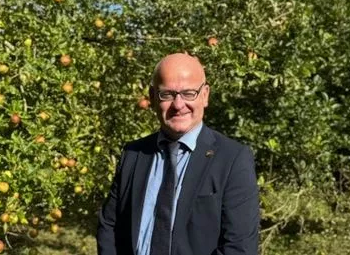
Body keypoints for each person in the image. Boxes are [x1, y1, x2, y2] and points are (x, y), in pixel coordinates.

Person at [97, 53, 259, 255]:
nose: (178, 105)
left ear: (205, 95)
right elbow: (110, 227)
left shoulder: (232, 159)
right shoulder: (134, 154)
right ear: (153, 96)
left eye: (189, 93)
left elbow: (239, 247)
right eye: (167, 94)